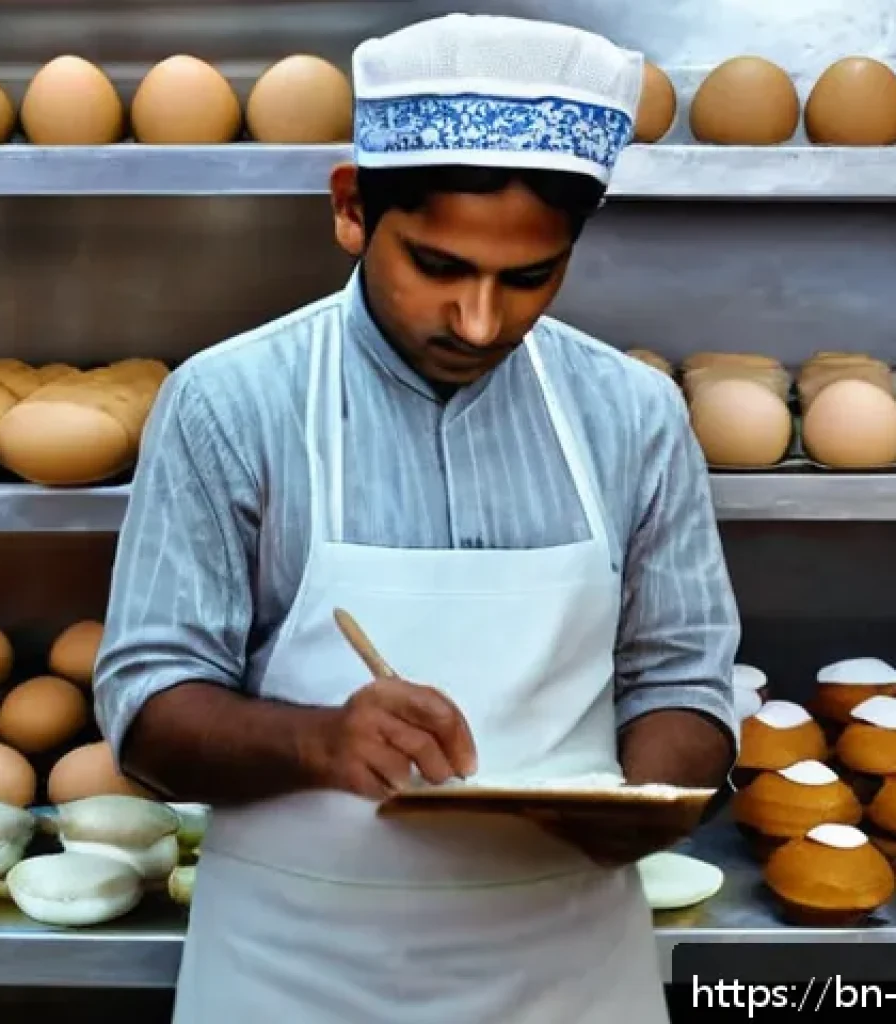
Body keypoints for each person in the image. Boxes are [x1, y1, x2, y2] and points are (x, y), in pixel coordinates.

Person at [94, 12, 740, 1024]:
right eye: (439, 268)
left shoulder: (632, 414)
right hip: (292, 970)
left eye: (528, 278)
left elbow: (684, 681)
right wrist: (318, 741)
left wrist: (646, 807)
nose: (480, 322)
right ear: (352, 207)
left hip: (567, 969)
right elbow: (147, 706)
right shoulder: (231, 402)